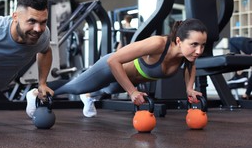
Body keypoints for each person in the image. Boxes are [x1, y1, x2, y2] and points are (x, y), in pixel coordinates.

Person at [26, 18, 208, 118]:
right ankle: (35, 92)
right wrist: (132, 92)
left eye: (202, 45)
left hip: (122, 82)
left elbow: (190, 66)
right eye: (194, 44)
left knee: (107, 89)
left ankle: (89, 96)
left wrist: (189, 88)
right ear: (178, 41)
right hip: (109, 69)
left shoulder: (187, 56)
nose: (199, 51)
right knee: (74, 87)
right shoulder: (158, 44)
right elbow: (114, 61)